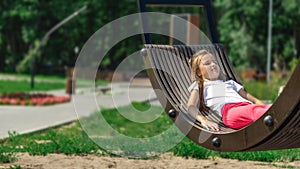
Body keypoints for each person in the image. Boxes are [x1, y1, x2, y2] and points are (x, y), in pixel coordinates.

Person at [187, 49, 271, 131]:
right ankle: (275, 114)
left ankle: (275, 113)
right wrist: (204, 120)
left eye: (215, 62)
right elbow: (191, 106)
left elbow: (254, 100)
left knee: (264, 109)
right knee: (255, 111)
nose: (213, 64)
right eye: (207, 63)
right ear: (198, 72)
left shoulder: (230, 83)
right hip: (230, 112)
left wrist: (266, 107)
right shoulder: (200, 85)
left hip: (247, 107)